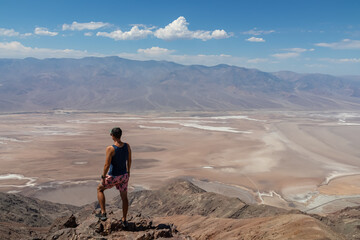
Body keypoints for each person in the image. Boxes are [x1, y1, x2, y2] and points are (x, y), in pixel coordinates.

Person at [96, 127, 132, 222]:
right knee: (124, 197)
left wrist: (103, 176)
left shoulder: (111, 148)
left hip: (114, 177)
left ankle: (103, 213)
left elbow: (107, 164)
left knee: (99, 189)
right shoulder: (127, 146)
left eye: (111, 134)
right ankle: (124, 219)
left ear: (113, 136)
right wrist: (128, 172)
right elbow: (129, 160)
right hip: (124, 176)